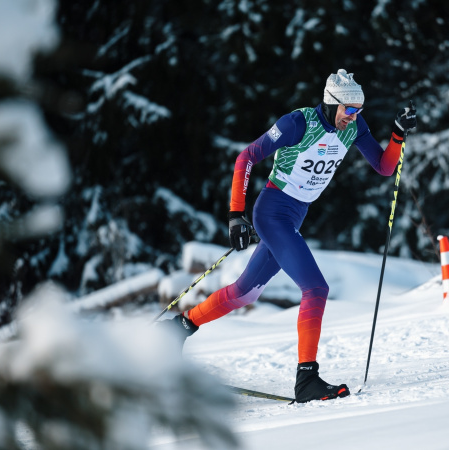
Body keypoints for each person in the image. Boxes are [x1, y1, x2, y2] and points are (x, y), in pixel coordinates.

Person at [162, 69, 417, 403]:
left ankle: (177, 327)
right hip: (272, 213)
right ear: (331, 102)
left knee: (244, 293)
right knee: (316, 288)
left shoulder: (354, 127)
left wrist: (397, 134)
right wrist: (236, 215)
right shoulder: (298, 123)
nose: (353, 117)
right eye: (348, 110)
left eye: (359, 111)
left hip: (294, 217)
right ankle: (306, 379)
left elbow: (384, 167)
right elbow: (246, 157)